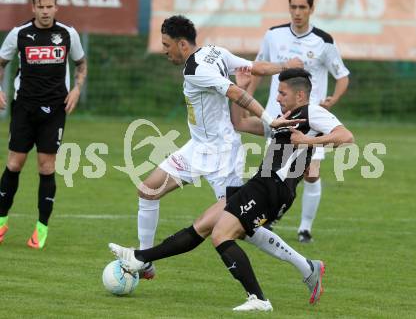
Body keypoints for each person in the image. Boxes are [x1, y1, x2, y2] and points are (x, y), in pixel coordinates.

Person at [109, 68, 354, 311]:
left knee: (221, 234)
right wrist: (244, 86)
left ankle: (258, 299)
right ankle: (141, 257)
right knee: (204, 223)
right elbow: (240, 123)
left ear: (300, 95)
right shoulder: (285, 118)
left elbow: (346, 136)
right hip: (261, 182)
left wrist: (308, 141)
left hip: (274, 187)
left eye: (282, 93)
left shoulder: (312, 112)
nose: (277, 97)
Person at [134, 15, 304, 279]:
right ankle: (143, 262)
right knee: (147, 190)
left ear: (182, 44)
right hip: (197, 148)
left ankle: (305, 265)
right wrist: (285, 64)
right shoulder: (215, 52)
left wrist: (271, 120)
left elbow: (237, 92)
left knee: (239, 224)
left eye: (166, 45)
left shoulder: (197, 70)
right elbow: (254, 68)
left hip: (223, 154)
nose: (164, 50)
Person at [247, 0, 350, 242]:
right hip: (278, 117)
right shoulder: (273, 35)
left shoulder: (324, 41)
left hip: (311, 121)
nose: (297, 12)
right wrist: (247, 97)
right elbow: (259, 68)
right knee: (274, 171)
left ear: (311, 9)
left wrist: (332, 99)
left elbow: (342, 75)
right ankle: (266, 220)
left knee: (310, 172)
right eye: (293, 6)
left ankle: (304, 228)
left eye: (302, 7)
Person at [0, 0, 87, 248]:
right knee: (14, 163)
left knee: (46, 167)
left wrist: (77, 90)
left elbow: (81, 64)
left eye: (50, 6)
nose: (46, 11)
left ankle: (41, 229)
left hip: (55, 110)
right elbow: (2, 62)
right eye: (41, 7)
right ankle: (2, 221)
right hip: (24, 108)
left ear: (56, 7)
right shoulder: (19, 34)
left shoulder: (68, 34)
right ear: (33, 8)